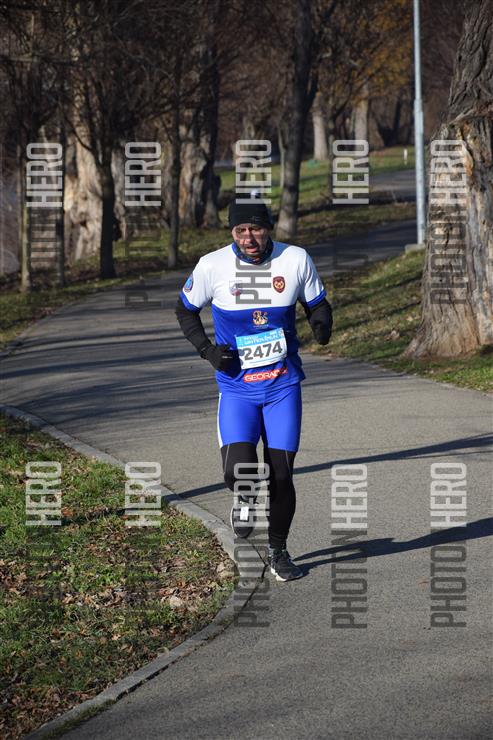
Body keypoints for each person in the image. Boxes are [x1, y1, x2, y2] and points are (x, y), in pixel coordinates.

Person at [175, 201, 332, 581]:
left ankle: (279, 551)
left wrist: (322, 322)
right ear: (232, 232)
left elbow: (316, 302)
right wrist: (208, 351)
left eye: (257, 229)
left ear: (269, 229)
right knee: (239, 470)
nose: (249, 238)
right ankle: (244, 495)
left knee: (282, 475)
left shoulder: (295, 259)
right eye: (241, 231)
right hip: (237, 390)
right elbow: (184, 310)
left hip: (282, 387)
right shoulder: (212, 266)